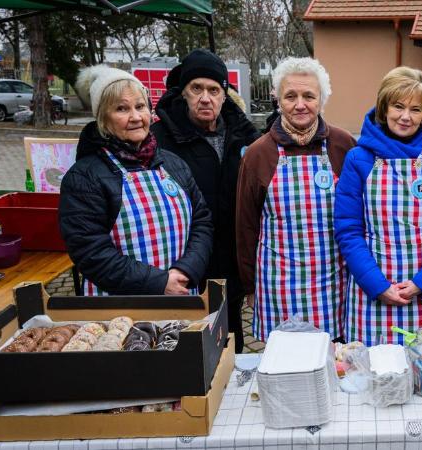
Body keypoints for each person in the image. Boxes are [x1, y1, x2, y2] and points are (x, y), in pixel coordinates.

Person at [335, 67, 422, 346]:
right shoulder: (359, 159)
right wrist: (377, 285)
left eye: (416, 109)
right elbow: (348, 231)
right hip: (372, 292)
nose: (406, 117)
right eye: (398, 106)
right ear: (384, 107)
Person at [60, 65, 213, 295]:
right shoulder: (84, 177)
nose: (135, 117)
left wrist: (187, 270)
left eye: (140, 106)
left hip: (181, 294)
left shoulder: (173, 164)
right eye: (122, 109)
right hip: (119, 309)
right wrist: (159, 282)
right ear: (103, 118)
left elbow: (201, 222)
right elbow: (90, 251)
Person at [236, 57, 356, 342]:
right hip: (279, 282)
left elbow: (360, 215)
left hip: (334, 282)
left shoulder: (343, 146)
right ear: (278, 99)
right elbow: (246, 226)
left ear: (322, 100)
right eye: (291, 96)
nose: (300, 104)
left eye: (309, 96)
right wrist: (249, 286)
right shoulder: (258, 153)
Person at [152, 49, 260, 352]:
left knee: (232, 336)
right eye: (196, 88)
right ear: (183, 93)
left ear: (224, 95)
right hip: (187, 260)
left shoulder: (244, 136)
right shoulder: (159, 139)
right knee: (190, 338)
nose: (205, 98)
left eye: (214, 90)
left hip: (233, 255)